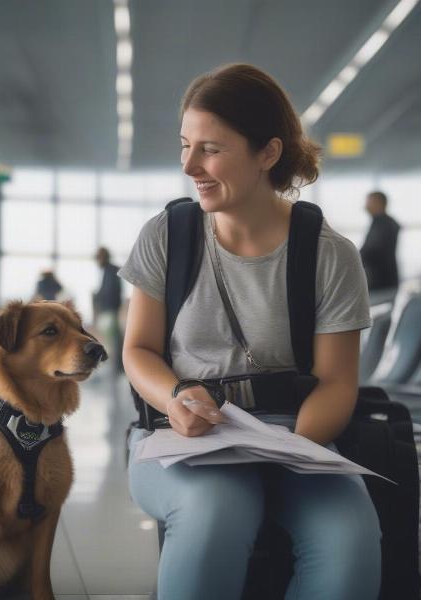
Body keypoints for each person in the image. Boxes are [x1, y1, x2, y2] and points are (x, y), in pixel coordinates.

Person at [120, 64, 380, 600]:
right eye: (185, 145)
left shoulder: (328, 254)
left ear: (268, 153)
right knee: (217, 511)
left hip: (296, 436)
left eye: (210, 149)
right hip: (183, 436)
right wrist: (174, 398)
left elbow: (335, 382)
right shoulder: (169, 236)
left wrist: (292, 451)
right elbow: (139, 350)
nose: (190, 165)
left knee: (349, 541)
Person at [360, 190, 400, 292]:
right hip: (383, 278)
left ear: (378, 203)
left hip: (381, 280)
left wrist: (353, 257)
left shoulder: (384, 224)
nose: (366, 206)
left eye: (369, 202)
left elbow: (372, 250)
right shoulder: (381, 222)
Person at [94, 247, 123, 373]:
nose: (97, 261)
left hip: (110, 310)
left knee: (114, 340)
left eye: (98, 258)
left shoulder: (112, 270)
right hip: (108, 310)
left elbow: (112, 292)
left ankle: (118, 367)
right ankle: (116, 366)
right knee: (111, 339)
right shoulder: (107, 271)